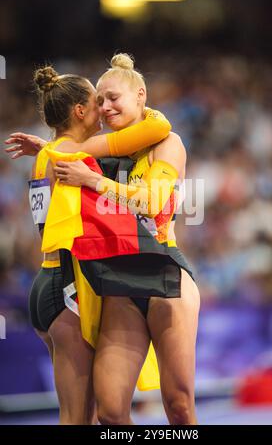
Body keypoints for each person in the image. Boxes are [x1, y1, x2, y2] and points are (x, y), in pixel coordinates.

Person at [9, 64, 172, 424]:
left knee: (86, 414)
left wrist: (49, 147)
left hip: (46, 286)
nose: (104, 109)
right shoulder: (78, 159)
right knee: (78, 418)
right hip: (69, 290)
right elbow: (158, 126)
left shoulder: (46, 155)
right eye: (97, 102)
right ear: (79, 111)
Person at [53, 53, 200, 425]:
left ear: (140, 95)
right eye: (99, 100)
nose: (104, 107)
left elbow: (151, 203)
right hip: (120, 282)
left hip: (165, 275)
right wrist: (43, 149)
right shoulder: (101, 152)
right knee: (111, 412)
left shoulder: (167, 143)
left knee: (179, 405)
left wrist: (92, 182)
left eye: (113, 97)